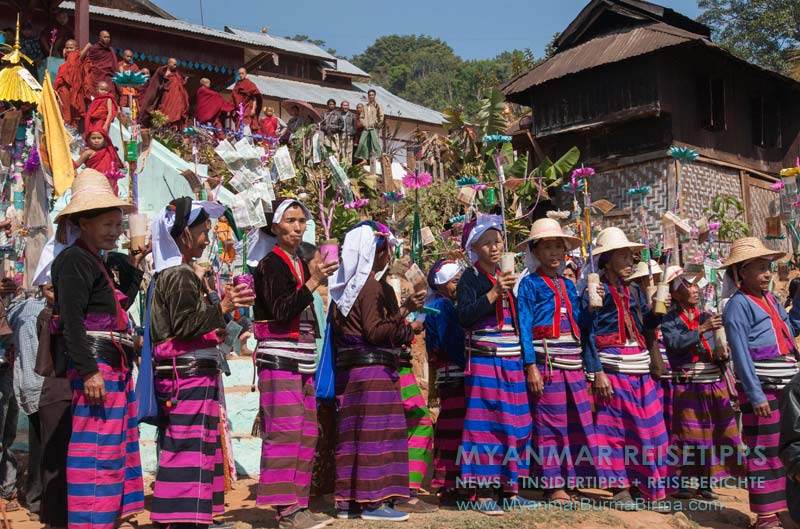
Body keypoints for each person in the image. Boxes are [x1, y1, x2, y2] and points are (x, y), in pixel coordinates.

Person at [147, 197, 254, 528]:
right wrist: (221, 305)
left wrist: (215, 301)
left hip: (192, 374)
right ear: (182, 235)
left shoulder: (181, 273)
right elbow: (183, 326)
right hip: (186, 376)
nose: (207, 240)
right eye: (203, 232)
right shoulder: (178, 274)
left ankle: (194, 516)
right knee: (188, 445)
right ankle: (183, 519)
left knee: (196, 445)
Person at [50, 169, 145, 529]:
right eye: (107, 223)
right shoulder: (74, 262)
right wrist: (89, 370)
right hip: (98, 370)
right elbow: (72, 321)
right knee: (96, 454)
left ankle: (107, 518)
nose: (116, 231)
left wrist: (134, 266)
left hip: (113, 369)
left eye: (118, 224)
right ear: (84, 222)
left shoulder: (97, 262)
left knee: (113, 450)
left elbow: (117, 310)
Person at [329, 221, 424, 522]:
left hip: (353, 374)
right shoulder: (370, 286)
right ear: (376, 251)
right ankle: (374, 502)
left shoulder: (345, 286)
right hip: (373, 375)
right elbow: (374, 331)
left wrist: (401, 313)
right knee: (377, 436)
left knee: (355, 438)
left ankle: (349, 503)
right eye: (386, 249)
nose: (388, 255)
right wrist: (408, 322)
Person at [252, 198, 338, 529]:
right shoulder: (270, 265)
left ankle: (298, 504)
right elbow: (281, 308)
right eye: (289, 220)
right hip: (279, 359)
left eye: (301, 220)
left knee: (305, 433)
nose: (297, 226)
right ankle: (284, 510)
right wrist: (315, 282)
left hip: (300, 360)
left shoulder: (299, 262)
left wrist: (313, 276)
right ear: (274, 228)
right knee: (284, 432)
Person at [582, 227, 669, 510]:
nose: (631, 260)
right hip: (613, 369)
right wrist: (597, 372)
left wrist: (657, 312)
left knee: (650, 431)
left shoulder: (632, 289)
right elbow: (588, 333)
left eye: (631, 255)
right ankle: (620, 488)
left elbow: (645, 328)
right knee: (616, 430)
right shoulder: (595, 291)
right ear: (607, 260)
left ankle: (648, 487)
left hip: (639, 366)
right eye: (623, 255)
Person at [516, 218, 600, 504]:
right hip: (547, 364)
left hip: (573, 365)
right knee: (550, 425)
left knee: (576, 423)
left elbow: (582, 325)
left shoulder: (568, 284)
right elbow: (524, 327)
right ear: (536, 252)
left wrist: (590, 307)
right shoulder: (529, 285)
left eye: (558, 247)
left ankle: (571, 479)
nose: (554, 253)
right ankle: (553, 485)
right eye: (548, 247)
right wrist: (530, 366)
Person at [457, 215, 535, 515]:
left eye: (498, 241)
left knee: (516, 422)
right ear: (474, 248)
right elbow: (464, 315)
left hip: (512, 360)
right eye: (487, 243)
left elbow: (520, 323)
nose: (494, 247)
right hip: (485, 359)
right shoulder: (470, 278)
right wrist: (493, 293)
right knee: (486, 425)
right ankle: (483, 492)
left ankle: (510, 489)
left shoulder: (513, 279)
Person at [723, 237, 800, 529]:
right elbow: (741, 355)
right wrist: (755, 395)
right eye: (759, 268)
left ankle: (785, 510)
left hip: (784, 389)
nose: (767, 274)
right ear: (741, 272)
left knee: (785, 449)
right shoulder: (737, 306)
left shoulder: (770, 299)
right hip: (763, 390)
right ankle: (766, 515)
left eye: (768, 268)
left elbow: (790, 329)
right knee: (762, 450)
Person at [661, 265, 743, 500]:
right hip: (688, 383)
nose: (695, 290)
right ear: (676, 294)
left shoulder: (708, 315)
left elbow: (720, 346)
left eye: (696, 285)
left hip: (712, 381)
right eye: (688, 287)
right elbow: (674, 343)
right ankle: (684, 482)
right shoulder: (670, 320)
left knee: (712, 433)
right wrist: (702, 330)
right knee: (688, 434)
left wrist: (722, 351)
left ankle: (706, 483)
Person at [423, 259, 466, 505]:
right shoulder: (443, 307)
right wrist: (467, 362)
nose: (459, 286)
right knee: (453, 428)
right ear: (442, 285)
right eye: (455, 281)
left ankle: (448, 482)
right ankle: (449, 484)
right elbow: (451, 342)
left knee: (450, 426)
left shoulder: (437, 306)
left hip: (446, 373)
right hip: (454, 373)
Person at [7, 288, 47, 519]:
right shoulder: (33, 311)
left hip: (33, 386)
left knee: (40, 444)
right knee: (43, 445)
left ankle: (37, 499)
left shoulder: (21, 309)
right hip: (41, 386)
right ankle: (38, 499)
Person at [627, 260, 672, 435]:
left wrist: (655, 311)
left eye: (655, 278)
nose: (651, 281)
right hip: (637, 362)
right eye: (646, 278)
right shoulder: (633, 293)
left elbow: (649, 323)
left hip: (654, 364)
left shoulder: (636, 292)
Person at [140, 58, 190, 129]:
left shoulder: (177, 73)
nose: (175, 66)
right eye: (174, 64)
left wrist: (184, 80)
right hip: (166, 95)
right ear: (169, 63)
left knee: (175, 112)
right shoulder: (162, 70)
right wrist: (162, 86)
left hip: (175, 96)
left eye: (176, 64)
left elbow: (180, 82)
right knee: (164, 110)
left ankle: (172, 129)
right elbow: (157, 82)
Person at [75, 128, 124, 195]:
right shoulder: (88, 153)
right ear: (88, 140)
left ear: (104, 139)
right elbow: (74, 165)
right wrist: (78, 177)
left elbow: (118, 165)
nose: (96, 140)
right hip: (94, 183)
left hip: (109, 184)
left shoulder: (110, 152)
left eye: (99, 138)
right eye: (93, 138)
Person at [54, 39, 84, 127]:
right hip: (64, 91)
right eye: (67, 48)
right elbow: (59, 80)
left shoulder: (79, 62)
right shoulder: (63, 64)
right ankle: (65, 132)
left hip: (74, 90)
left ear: (77, 50)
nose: (69, 50)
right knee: (65, 113)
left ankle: (72, 133)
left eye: (72, 48)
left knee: (73, 113)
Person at [81, 30, 117, 97]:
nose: (107, 39)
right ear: (100, 38)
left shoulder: (110, 50)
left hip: (108, 76)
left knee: (110, 96)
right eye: (105, 37)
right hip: (96, 76)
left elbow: (114, 65)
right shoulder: (95, 49)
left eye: (108, 37)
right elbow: (87, 61)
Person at [354, 89, 384, 168]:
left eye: (372, 95)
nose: (371, 96)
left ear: (374, 96)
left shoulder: (378, 105)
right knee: (362, 143)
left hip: (374, 128)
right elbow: (361, 117)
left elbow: (381, 116)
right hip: (366, 128)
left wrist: (376, 124)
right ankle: (364, 160)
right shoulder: (365, 106)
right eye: (369, 95)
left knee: (374, 144)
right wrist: (364, 124)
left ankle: (377, 160)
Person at [339, 101, 356, 165]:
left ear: (348, 106)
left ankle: (349, 165)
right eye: (344, 105)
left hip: (349, 135)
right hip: (341, 134)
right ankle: (342, 164)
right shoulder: (339, 114)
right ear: (341, 106)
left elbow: (355, 126)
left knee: (349, 151)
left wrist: (352, 133)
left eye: (346, 105)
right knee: (341, 150)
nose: (345, 107)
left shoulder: (352, 115)